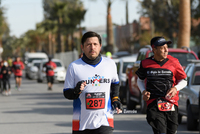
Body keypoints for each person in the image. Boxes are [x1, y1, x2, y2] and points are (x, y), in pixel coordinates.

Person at [63, 31, 123, 134]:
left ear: (100, 46)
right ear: (82, 47)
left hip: (105, 120)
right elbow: (67, 93)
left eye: (95, 44)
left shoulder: (110, 64)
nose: (92, 47)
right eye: (88, 44)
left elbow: (115, 83)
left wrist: (115, 99)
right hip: (81, 122)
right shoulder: (74, 67)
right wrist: (76, 91)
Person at [136, 36, 187, 134]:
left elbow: (184, 80)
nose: (166, 50)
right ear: (154, 49)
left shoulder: (174, 62)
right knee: (160, 131)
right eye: (162, 48)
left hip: (171, 103)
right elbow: (140, 80)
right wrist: (143, 91)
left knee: (171, 131)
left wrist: (175, 88)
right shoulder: (145, 63)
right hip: (153, 103)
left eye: (167, 47)